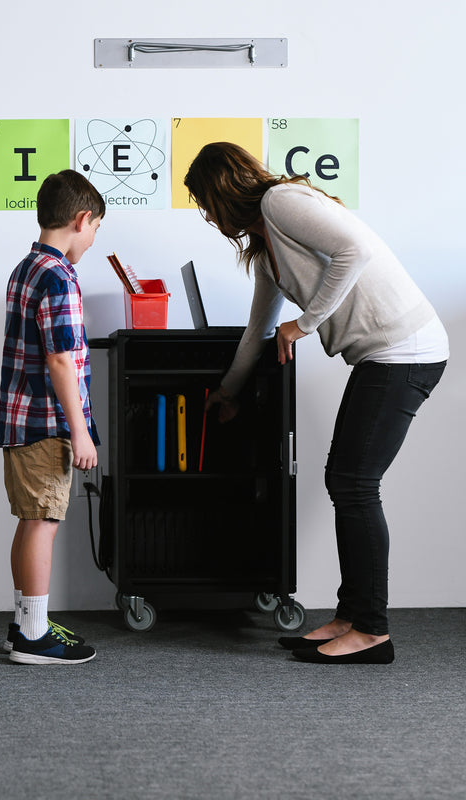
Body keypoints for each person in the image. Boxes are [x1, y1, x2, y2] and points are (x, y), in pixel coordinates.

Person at [185, 142, 448, 664]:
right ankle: (351, 617)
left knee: (353, 483)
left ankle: (371, 630)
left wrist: (304, 325)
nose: (206, 217)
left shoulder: (281, 202)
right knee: (346, 481)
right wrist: (229, 393)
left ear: (221, 191)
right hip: (382, 355)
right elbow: (258, 330)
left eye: (203, 204)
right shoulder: (267, 251)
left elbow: (356, 250)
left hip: (406, 349)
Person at [0, 170, 104, 665]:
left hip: (21, 421)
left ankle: (25, 623)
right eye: (95, 228)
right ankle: (33, 638)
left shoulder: (26, 267)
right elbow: (61, 359)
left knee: (31, 521)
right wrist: (80, 432)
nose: (93, 239)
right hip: (47, 424)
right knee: (43, 522)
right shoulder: (59, 276)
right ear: (82, 219)